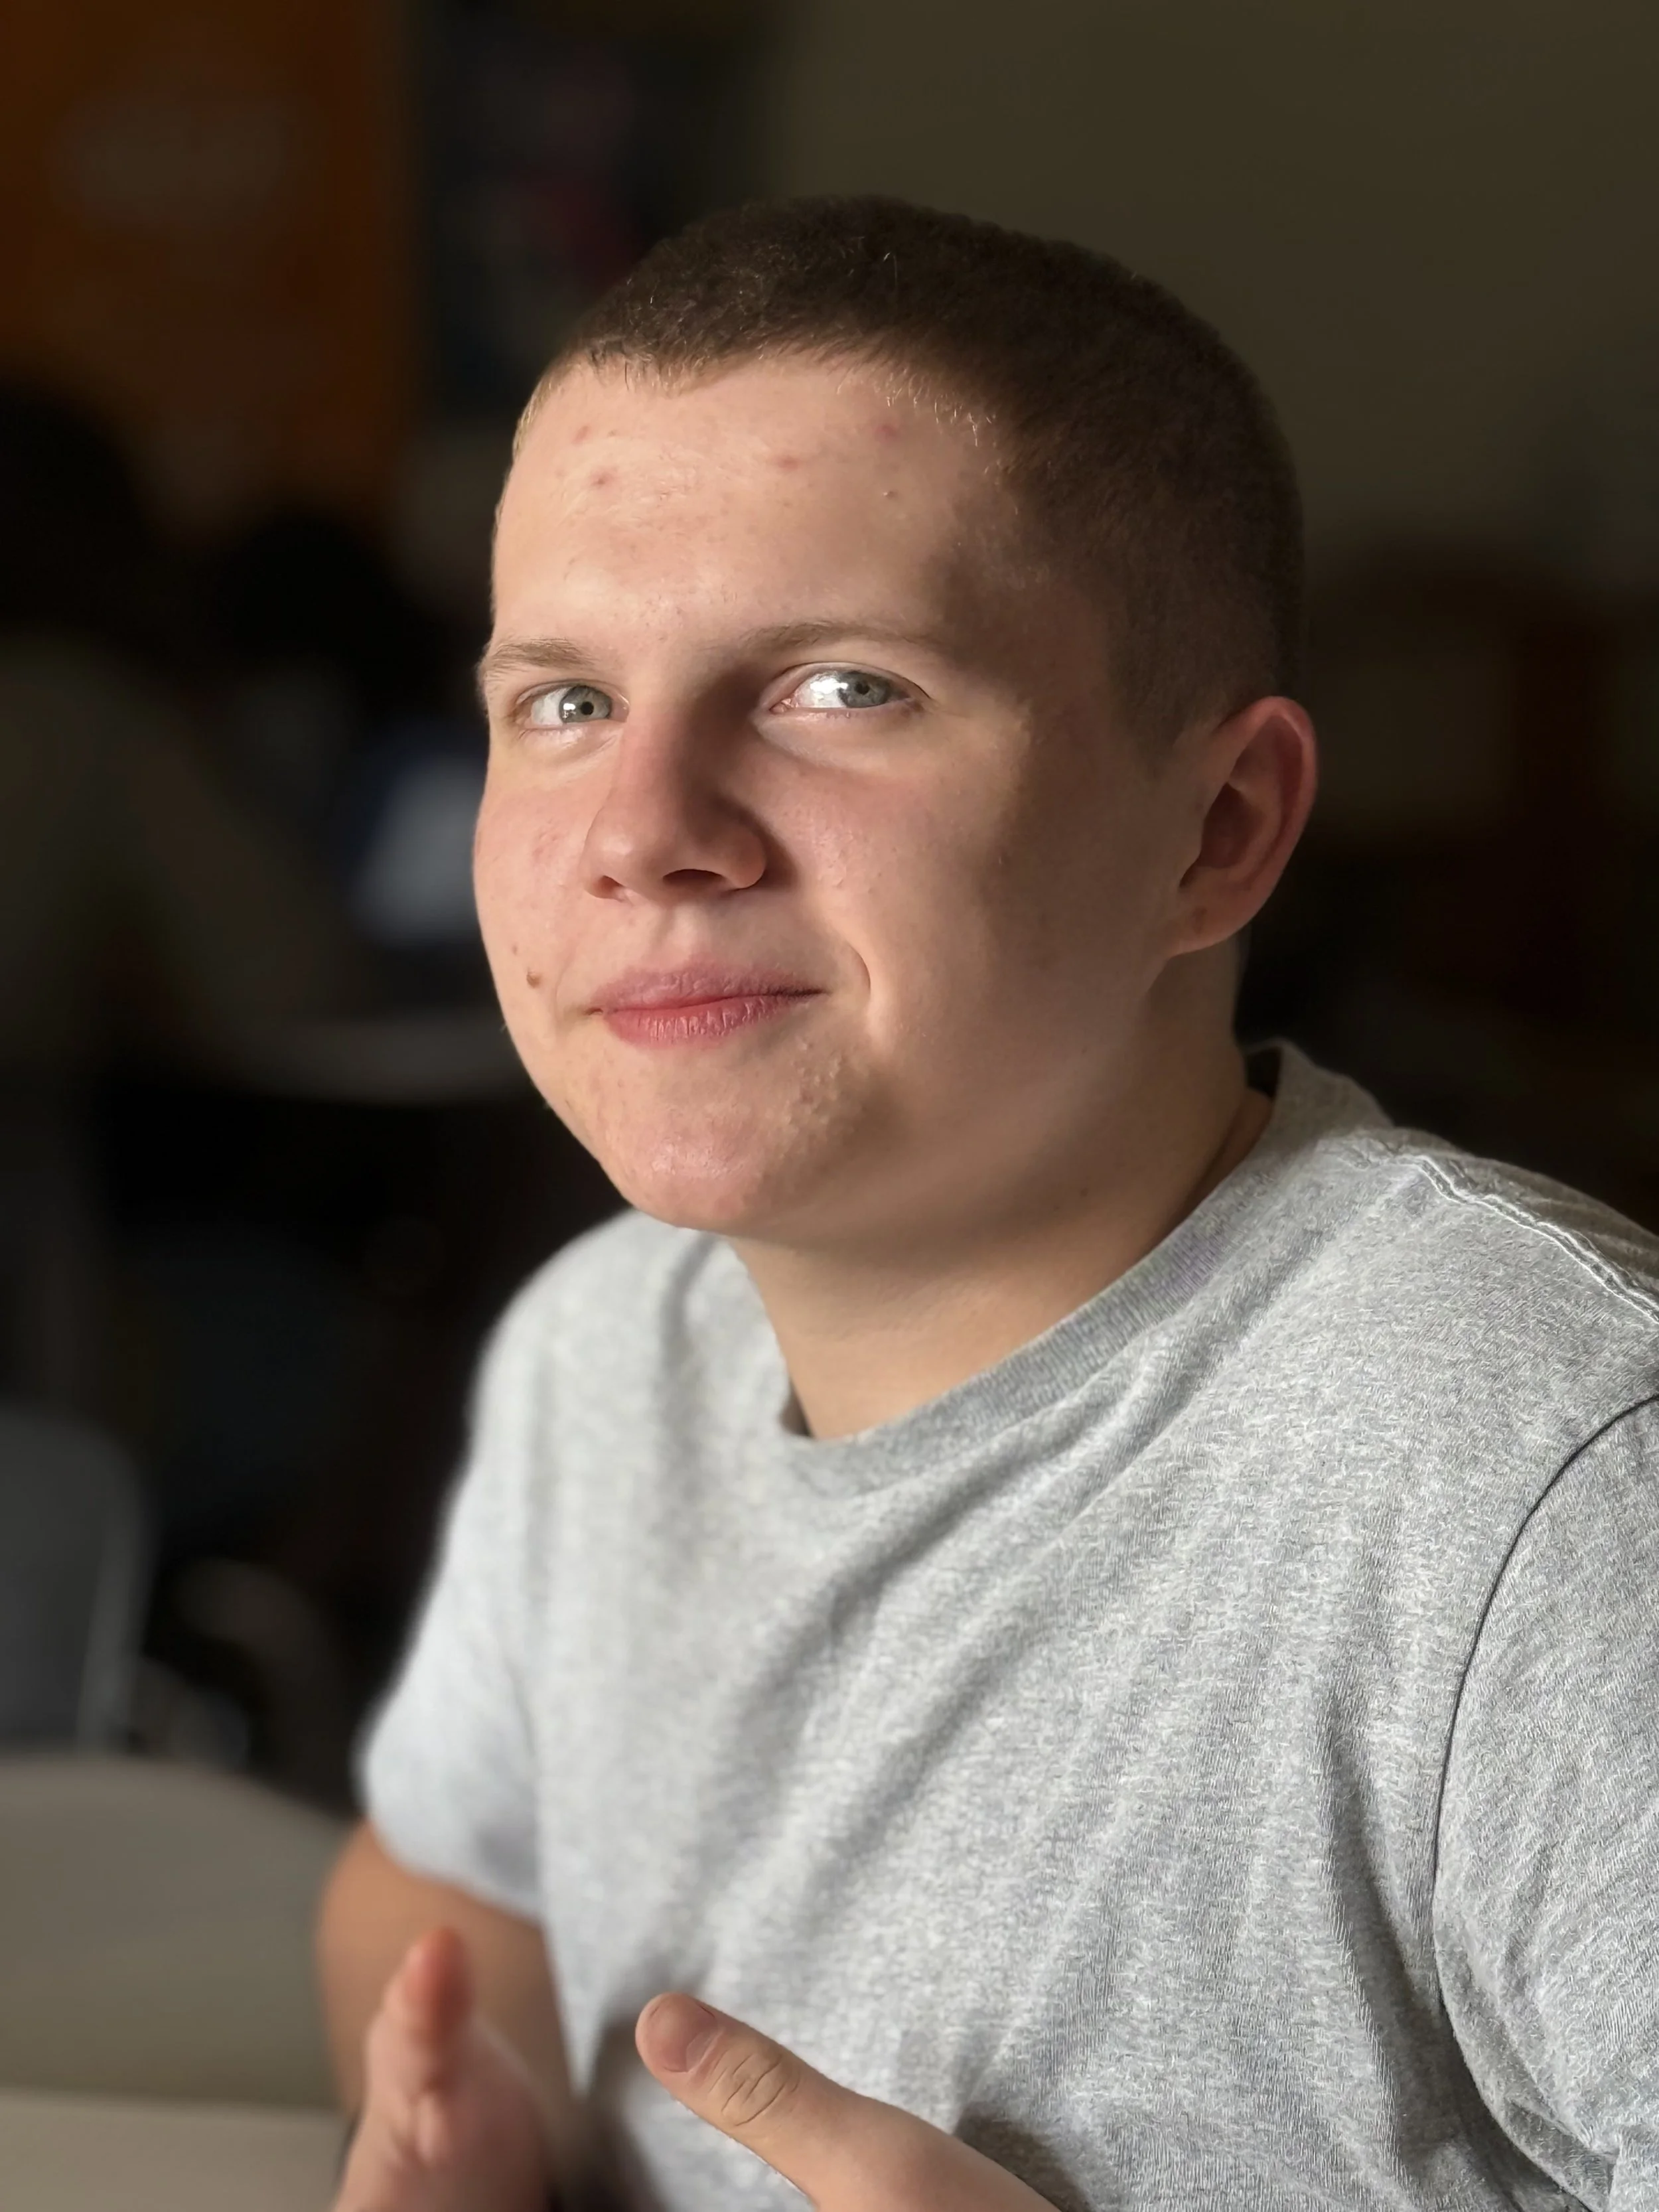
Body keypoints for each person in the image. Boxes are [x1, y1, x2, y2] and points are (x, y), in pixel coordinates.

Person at [317, 198, 1659, 2212]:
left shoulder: (1534, 1477)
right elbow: (437, 1887)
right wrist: (500, 2109)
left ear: (1215, 834)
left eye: (840, 687)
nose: (645, 831)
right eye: (566, 702)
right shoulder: (600, 1345)